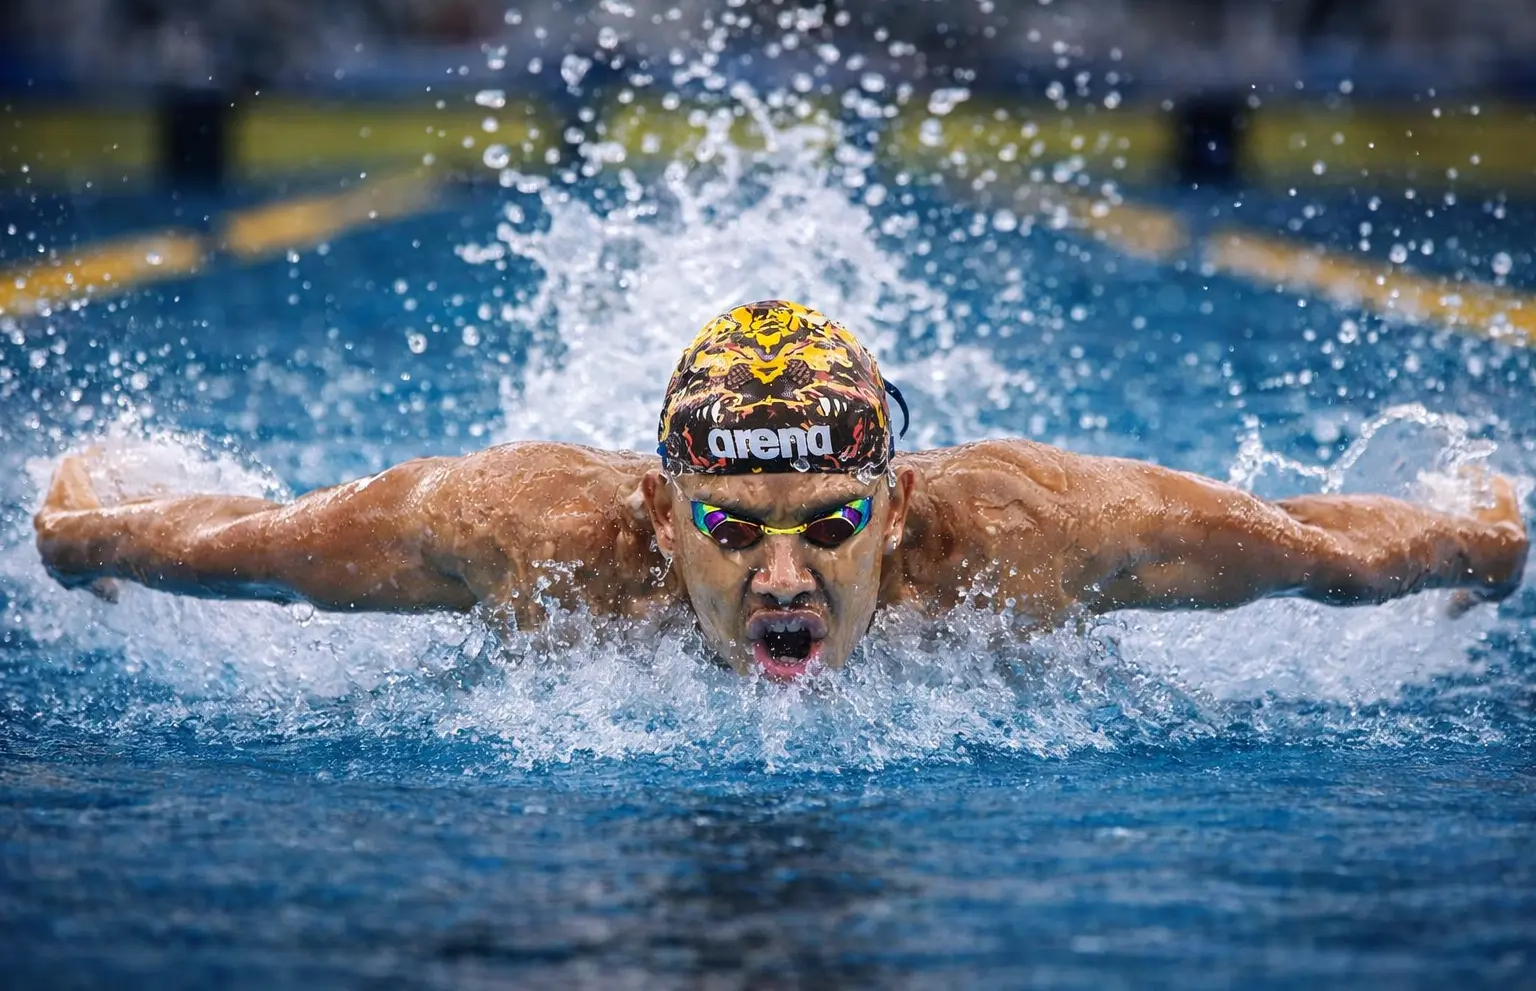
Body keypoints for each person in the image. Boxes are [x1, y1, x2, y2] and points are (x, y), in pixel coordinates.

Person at [34, 300, 1529, 680]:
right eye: (735, 533)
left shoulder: (1033, 536)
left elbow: (1328, 555)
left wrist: (1473, 530)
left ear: (898, 502)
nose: (784, 581)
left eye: (828, 527)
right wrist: (90, 522)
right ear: (657, 510)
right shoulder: (525, 535)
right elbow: (250, 545)